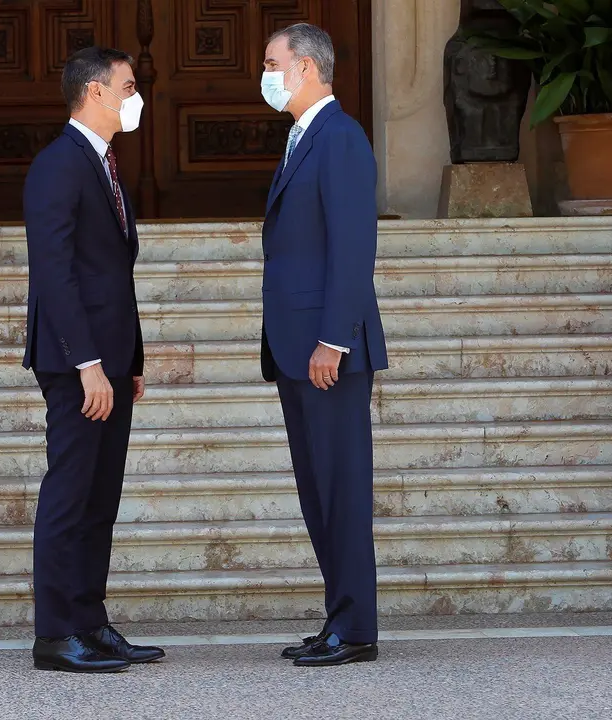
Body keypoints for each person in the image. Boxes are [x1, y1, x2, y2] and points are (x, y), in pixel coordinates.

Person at [22, 45, 164, 673]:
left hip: (108, 364)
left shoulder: (101, 162)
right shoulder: (60, 164)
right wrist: (85, 363)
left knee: (100, 498)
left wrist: (125, 360)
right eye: (129, 86)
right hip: (77, 365)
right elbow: (55, 273)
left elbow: (111, 273)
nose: (137, 97)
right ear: (96, 92)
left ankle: (89, 619)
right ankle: (55, 633)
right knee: (70, 494)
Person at [259, 23, 388, 667]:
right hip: (296, 348)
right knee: (318, 490)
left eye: (271, 62)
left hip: (326, 351)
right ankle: (340, 620)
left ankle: (356, 629)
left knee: (341, 488)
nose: (266, 73)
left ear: (306, 67)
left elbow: (353, 248)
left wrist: (333, 339)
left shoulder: (339, 137)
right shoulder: (302, 138)